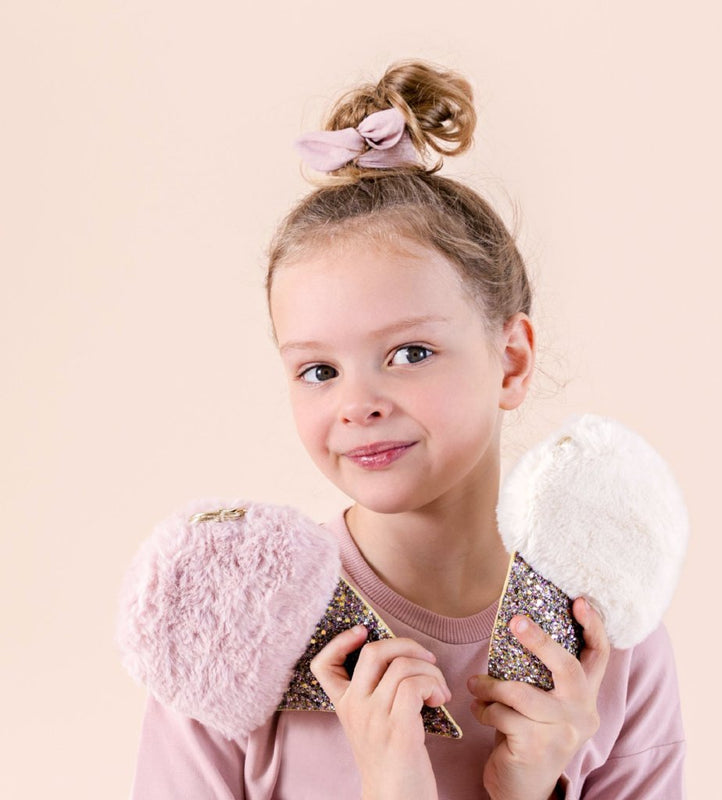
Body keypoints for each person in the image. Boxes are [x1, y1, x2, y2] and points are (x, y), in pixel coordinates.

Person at [127, 59, 686, 799]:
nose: (357, 403)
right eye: (319, 370)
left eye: (410, 353)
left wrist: (529, 790)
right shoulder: (233, 629)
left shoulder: (602, 643)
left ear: (512, 360)